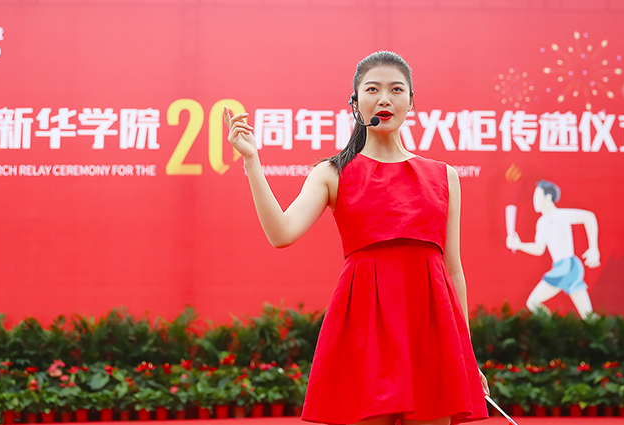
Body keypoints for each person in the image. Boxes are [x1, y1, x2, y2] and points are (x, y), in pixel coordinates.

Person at [224, 51, 489, 425]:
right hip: (366, 328)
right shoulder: (332, 172)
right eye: (373, 89)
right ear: (355, 102)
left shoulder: (445, 177)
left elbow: (453, 270)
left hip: (429, 331)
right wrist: (252, 161)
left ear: (411, 102)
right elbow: (281, 233)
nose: (385, 99)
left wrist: (465, 354)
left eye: (396, 90)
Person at [506, 180, 600, 319]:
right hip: (567, 267)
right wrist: (520, 245)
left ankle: (553, 327)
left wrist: (593, 248)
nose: (534, 201)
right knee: (588, 315)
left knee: (533, 302)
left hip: (566, 267)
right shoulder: (542, 222)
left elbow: (589, 217)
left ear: (548, 197)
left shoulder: (559, 215)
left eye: (537, 196)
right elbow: (539, 249)